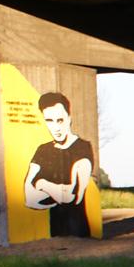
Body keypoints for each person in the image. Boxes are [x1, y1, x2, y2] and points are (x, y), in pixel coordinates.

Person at [24, 92, 94, 238]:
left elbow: (73, 196)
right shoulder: (43, 150)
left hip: (78, 231)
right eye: (49, 121)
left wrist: (42, 184)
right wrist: (57, 189)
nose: (56, 127)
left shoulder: (83, 148)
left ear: (69, 119)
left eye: (60, 120)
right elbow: (29, 197)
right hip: (55, 233)